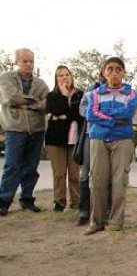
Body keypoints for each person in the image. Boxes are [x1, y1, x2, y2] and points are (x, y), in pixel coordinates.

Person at [84, 57, 137, 235]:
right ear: (104, 72)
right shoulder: (95, 94)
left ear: (123, 72)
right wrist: (114, 120)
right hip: (98, 139)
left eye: (118, 69)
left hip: (122, 139)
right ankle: (97, 221)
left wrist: (104, 116)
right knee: (97, 180)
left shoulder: (131, 94)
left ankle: (116, 220)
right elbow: (91, 115)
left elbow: (128, 113)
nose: (114, 73)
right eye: (110, 69)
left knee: (119, 180)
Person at [0, 48, 50, 216]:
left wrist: (25, 104)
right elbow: (10, 98)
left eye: (31, 61)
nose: (29, 64)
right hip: (15, 128)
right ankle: (4, 201)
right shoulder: (6, 78)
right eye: (25, 61)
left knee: (31, 167)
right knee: (12, 166)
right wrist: (34, 102)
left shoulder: (41, 84)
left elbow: (47, 104)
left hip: (36, 130)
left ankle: (27, 199)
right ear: (17, 62)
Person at [45, 65, 84, 212]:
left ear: (71, 76)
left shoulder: (79, 94)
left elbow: (79, 114)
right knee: (59, 174)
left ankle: (76, 202)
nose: (64, 78)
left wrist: (63, 116)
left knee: (74, 174)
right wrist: (62, 95)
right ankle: (59, 202)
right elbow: (55, 110)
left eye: (66, 74)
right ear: (56, 79)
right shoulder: (52, 95)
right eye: (60, 75)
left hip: (74, 139)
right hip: (55, 140)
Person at [75, 74, 105, 226]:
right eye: (108, 69)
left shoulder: (120, 90)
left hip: (108, 135)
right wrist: (99, 112)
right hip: (89, 135)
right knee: (85, 175)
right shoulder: (92, 89)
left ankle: (105, 211)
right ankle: (83, 211)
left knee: (106, 176)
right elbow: (83, 110)